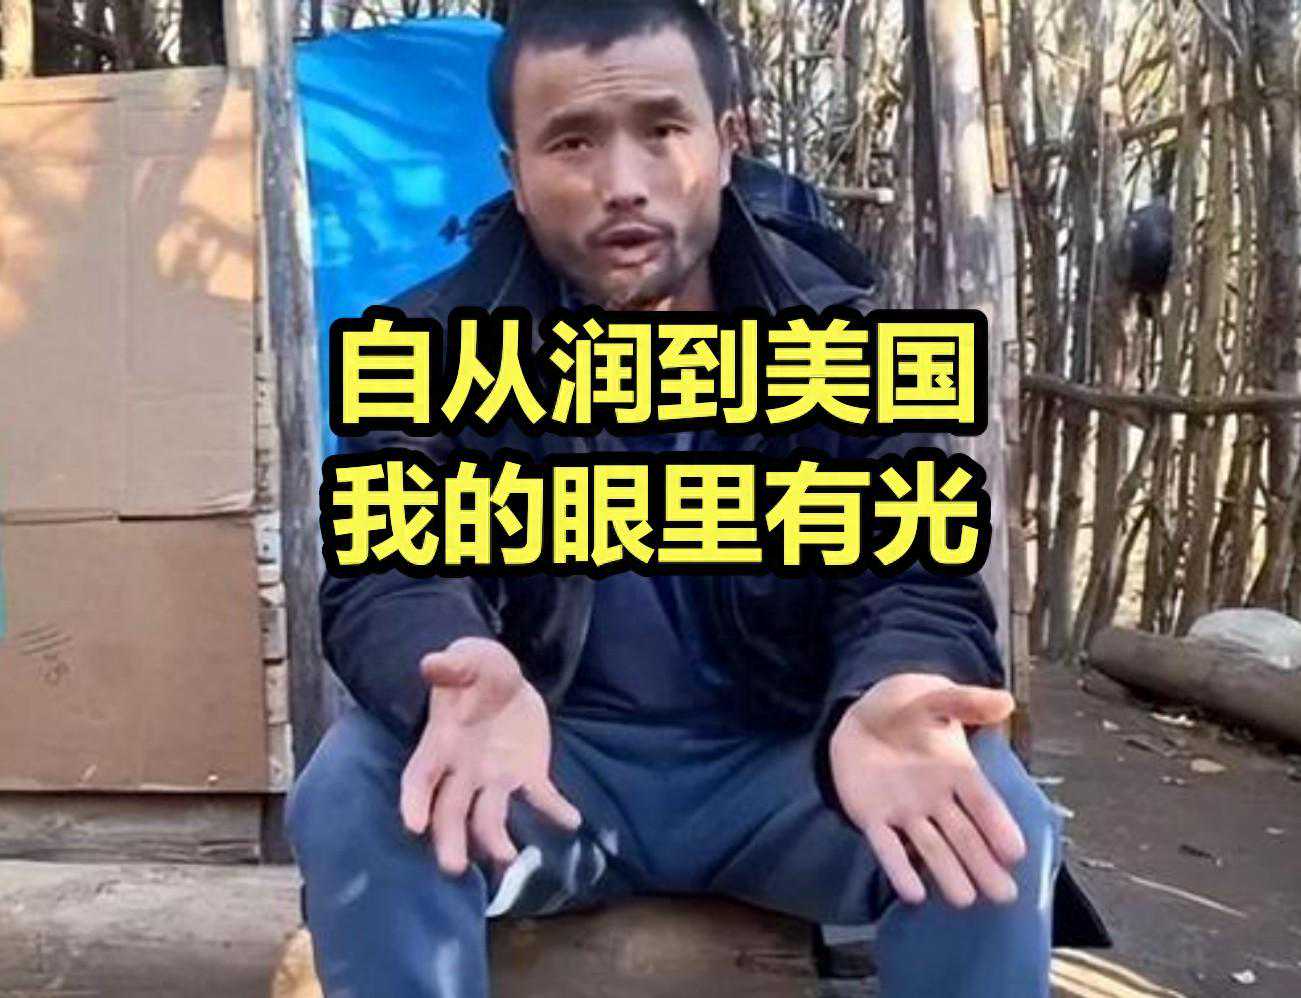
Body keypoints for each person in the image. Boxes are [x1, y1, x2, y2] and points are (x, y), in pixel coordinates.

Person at [286, 2, 1106, 995]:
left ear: (724, 143)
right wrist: (454, 665)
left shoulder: (837, 337)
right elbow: (387, 573)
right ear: (515, 172)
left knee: (985, 810)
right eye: (572, 142)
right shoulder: (433, 344)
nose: (622, 183)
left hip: (791, 767)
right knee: (358, 785)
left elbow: (915, 576)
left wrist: (890, 685)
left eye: (662, 129)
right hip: (546, 769)